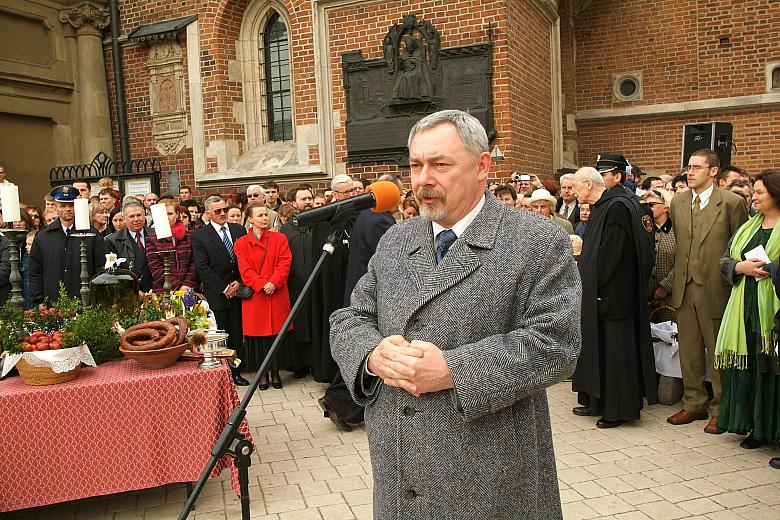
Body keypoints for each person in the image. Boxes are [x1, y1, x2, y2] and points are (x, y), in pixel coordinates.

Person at [330, 110, 580, 519]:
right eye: (415, 165)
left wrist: (452, 369)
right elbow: (351, 317)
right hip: (399, 477)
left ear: (482, 166)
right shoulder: (396, 239)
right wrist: (372, 355)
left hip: (490, 479)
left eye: (440, 164)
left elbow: (556, 344)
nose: (422, 179)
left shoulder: (535, 240)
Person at [667, 148, 749, 433]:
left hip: (716, 287)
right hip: (685, 287)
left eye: (696, 167)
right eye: (688, 167)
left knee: (717, 352)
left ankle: (720, 406)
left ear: (713, 171)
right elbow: (681, 242)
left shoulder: (731, 203)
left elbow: (738, 246)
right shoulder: (677, 203)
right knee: (688, 349)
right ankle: (694, 402)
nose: (689, 172)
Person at [571, 166, 658, 427]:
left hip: (614, 296)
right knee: (600, 350)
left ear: (588, 184)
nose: (574, 192)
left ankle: (618, 410)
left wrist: (596, 287)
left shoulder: (617, 207)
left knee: (616, 352)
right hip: (598, 293)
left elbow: (612, 256)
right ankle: (597, 401)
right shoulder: (601, 206)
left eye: (576, 186)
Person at [319, 174, 402, 431]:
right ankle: (338, 401)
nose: (401, 201)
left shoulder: (367, 215)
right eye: (399, 194)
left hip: (361, 286)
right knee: (369, 352)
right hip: (373, 293)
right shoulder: (379, 221)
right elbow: (393, 260)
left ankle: (339, 401)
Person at [716, 169, 780, 451]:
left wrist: (770, 269)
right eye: (753, 192)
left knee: (772, 370)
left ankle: (773, 429)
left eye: (760, 193)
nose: (754, 198)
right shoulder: (748, 227)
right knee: (751, 367)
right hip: (744, 308)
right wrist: (739, 267)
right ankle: (754, 427)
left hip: (773, 312)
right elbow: (724, 261)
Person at [192, 195, 249, 386]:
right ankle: (221, 376)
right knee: (220, 334)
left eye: (225, 209)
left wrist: (239, 283)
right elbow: (202, 267)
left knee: (236, 333)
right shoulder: (200, 236)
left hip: (238, 290)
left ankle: (236, 372)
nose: (223, 213)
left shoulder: (238, 230)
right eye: (218, 211)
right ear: (208, 214)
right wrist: (224, 288)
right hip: (217, 293)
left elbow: (247, 259)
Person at [234, 204, 292, 389]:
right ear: (250, 219)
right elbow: (245, 270)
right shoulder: (241, 243)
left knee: (276, 336)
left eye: (265, 215)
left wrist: (274, 282)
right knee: (258, 339)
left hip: (277, 294)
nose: (264, 218)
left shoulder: (280, 238)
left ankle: (275, 372)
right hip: (256, 299)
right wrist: (261, 284)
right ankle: (263, 374)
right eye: (259, 215)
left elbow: (285, 263)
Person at [28, 185, 106, 305]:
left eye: (71, 205)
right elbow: (35, 271)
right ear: (55, 207)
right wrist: (38, 300)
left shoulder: (91, 235)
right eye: (63, 206)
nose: (68, 209)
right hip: (53, 302)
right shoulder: (43, 236)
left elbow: (100, 267)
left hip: (85, 302)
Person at [146, 200, 198, 293]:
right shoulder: (152, 239)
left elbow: (195, 263)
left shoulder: (190, 236)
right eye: (163, 214)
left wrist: (187, 284)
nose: (167, 218)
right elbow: (156, 268)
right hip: (163, 291)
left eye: (170, 214)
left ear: (177, 214)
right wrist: (177, 286)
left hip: (189, 289)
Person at [642, 189, 676, 322]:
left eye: (651, 205)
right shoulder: (643, 231)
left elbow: (683, 262)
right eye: (645, 205)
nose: (647, 209)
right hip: (646, 298)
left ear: (665, 207)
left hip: (670, 298)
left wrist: (665, 286)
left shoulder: (677, 232)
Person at [105, 199, 153, 293]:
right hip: (129, 294)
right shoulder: (112, 241)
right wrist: (132, 290)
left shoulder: (156, 235)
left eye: (139, 215)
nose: (136, 219)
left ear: (145, 216)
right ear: (124, 218)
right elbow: (112, 272)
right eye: (131, 216)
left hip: (155, 291)